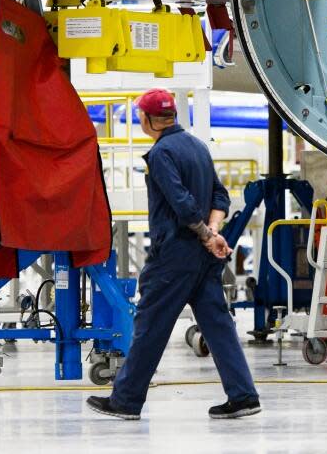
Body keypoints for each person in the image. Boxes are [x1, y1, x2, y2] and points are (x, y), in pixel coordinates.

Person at [87, 88, 261, 421]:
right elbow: (219, 196)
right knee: (218, 325)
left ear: (146, 119)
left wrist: (206, 234)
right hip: (203, 257)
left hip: (175, 255)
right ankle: (243, 396)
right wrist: (212, 234)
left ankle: (125, 400)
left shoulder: (161, 153)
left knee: (150, 326)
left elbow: (182, 204)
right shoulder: (197, 147)